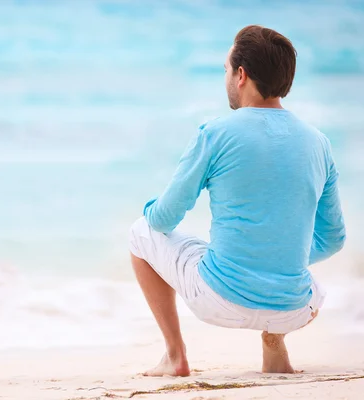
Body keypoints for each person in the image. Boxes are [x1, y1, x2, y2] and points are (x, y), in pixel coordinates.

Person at [129, 25, 346, 377]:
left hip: (219, 302)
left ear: (241, 74)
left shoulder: (215, 133)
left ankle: (175, 356)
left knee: (140, 232)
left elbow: (163, 219)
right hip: (294, 308)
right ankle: (275, 346)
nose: (226, 78)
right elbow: (334, 239)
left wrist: (150, 208)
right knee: (308, 284)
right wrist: (273, 254)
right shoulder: (318, 143)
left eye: (227, 70)